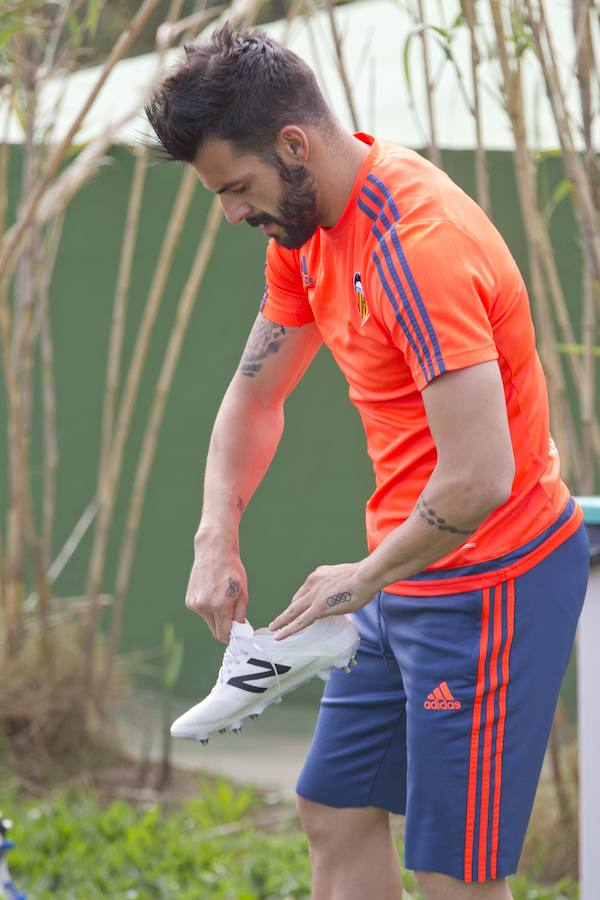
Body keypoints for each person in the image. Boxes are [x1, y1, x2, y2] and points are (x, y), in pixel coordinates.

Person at [145, 23, 589, 900]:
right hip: (401, 574)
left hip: (489, 582)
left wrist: (359, 578)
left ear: (294, 145)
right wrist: (214, 533)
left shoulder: (416, 248)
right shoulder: (306, 232)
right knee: (334, 810)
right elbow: (255, 395)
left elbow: (480, 476)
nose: (233, 213)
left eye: (237, 188)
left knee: (452, 874)